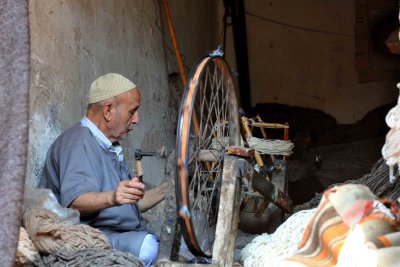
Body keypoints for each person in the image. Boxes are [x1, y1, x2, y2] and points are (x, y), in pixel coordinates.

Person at [39, 73, 168, 266]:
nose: (136, 120)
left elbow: (130, 204)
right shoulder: (78, 141)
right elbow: (75, 201)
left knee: (175, 246)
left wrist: (170, 187)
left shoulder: (108, 147)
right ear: (108, 110)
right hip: (85, 237)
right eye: (132, 112)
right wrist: (113, 197)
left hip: (117, 234)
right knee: (151, 249)